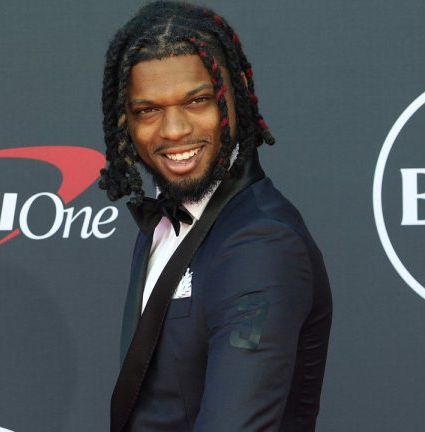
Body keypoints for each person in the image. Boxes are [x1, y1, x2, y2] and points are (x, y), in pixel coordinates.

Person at [98, 2, 332, 431]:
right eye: (148, 110)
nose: (173, 130)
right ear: (124, 121)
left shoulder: (261, 245)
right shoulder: (164, 221)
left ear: (236, 94)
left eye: (198, 101)